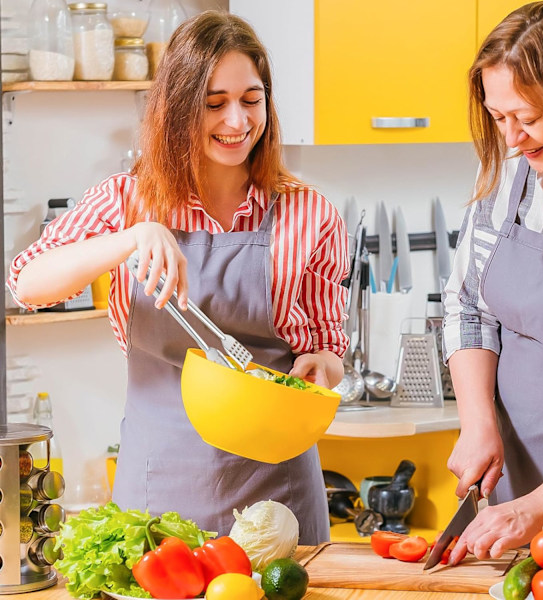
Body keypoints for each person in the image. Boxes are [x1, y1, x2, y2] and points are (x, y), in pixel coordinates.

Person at [7, 11, 349, 544]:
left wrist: (320, 369)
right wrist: (130, 238)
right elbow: (27, 283)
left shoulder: (310, 214)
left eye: (251, 99)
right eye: (215, 103)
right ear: (178, 107)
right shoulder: (126, 200)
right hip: (158, 495)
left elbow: (328, 348)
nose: (237, 121)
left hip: (278, 500)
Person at [442, 1, 543, 560]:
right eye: (497, 116)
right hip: (518, 503)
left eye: (527, 119)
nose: (509, 139)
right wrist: (478, 422)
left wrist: (541, 506)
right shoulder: (510, 182)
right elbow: (468, 306)